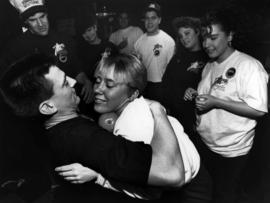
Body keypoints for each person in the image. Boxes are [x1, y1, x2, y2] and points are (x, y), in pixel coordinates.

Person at [0, 53, 184, 202]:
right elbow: (172, 174)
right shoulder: (87, 139)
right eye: (64, 83)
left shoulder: (50, 132)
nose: (73, 82)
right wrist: (158, 111)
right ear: (47, 107)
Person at [55, 53, 209, 201]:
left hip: (191, 192)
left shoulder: (130, 127)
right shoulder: (141, 105)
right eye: (97, 81)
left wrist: (99, 177)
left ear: (133, 93)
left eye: (109, 84)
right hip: (198, 175)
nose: (97, 89)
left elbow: (151, 193)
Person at [184, 7, 268, 203]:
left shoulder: (249, 66)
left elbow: (258, 109)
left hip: (230, 153)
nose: (206, 44)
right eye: (204, 38)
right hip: (205, 144)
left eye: (213, 38)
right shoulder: (210, 65)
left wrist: (216, 102)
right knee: (205, 192)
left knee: (225, 196)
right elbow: (213, 94)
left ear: (230, 35)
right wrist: (197, 94)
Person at [3, 0, 92, 104]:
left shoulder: (64, 39)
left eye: (42, 17)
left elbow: (76, 69)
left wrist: (86, 81)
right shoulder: (16, 47)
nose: (40, 24)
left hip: (69, 98)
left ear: (47, 15)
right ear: (26, 22)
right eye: (33, 20)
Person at [161, 16, 208, 137]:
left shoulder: (207, 57)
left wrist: (196, 92)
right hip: (174, 116)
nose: (184, 39)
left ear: (197, 32)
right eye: (181, 36)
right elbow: (166, 81)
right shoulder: (178, 57)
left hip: (195, 118)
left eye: (187, 33)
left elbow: (211, 89)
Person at [134, 2, 175, 101]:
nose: (149, 21)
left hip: (161, 86)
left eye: (153, 18)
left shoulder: (168, 41)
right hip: (144, 86)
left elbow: (172, 70)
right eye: (147, 18)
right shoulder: (138, 42)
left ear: (159, 20)